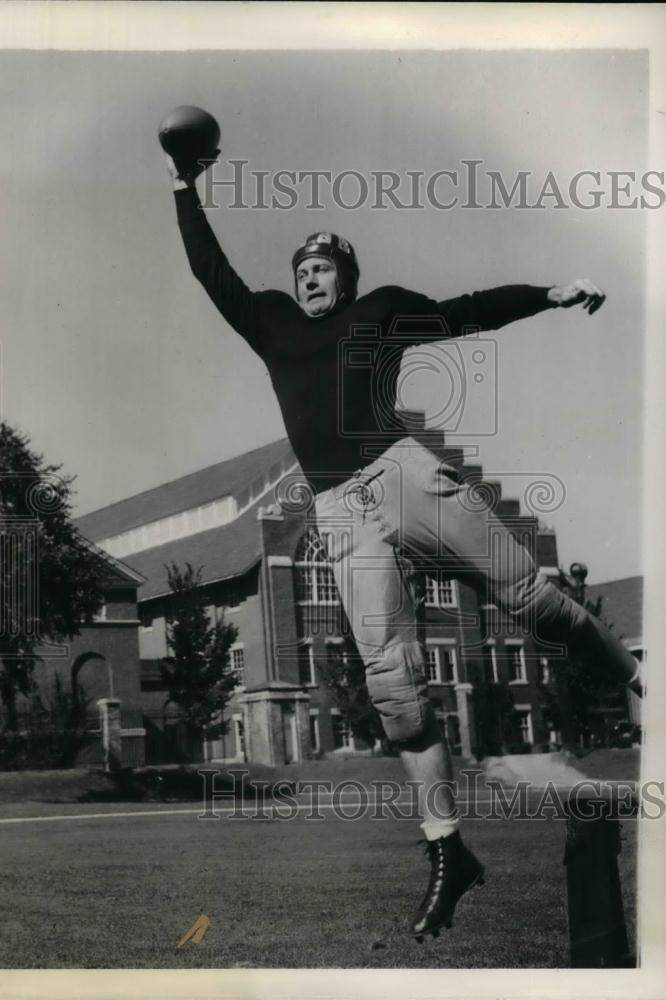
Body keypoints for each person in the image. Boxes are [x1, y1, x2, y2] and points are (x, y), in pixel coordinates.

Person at [163, 149, 642, 941]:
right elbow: (209, 269)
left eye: (325, 267)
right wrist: (185, 182)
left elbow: (465, 311)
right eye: (303, 268)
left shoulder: (379, 310)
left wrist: (551, 295)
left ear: (348, 278)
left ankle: (638, 681)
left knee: (529, 597)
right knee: (393, 687)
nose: (313, 278)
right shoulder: (273, 322)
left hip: (399, 473)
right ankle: (449, 851)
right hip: (338, 511)